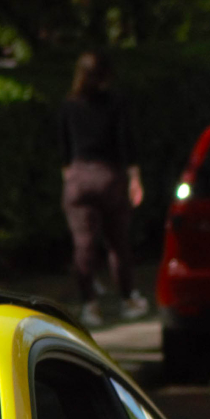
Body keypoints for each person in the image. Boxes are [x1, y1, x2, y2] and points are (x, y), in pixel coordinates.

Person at [59, 52, 147, 327]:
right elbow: (125, 143)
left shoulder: (69, 106)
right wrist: (134, 176)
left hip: (79, 177)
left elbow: (64, 149)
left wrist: (71, 177)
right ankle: (128, 298)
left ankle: (90, 305)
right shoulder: (115, 103)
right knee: (118, 242)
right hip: (109, 176)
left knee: (83, 245)